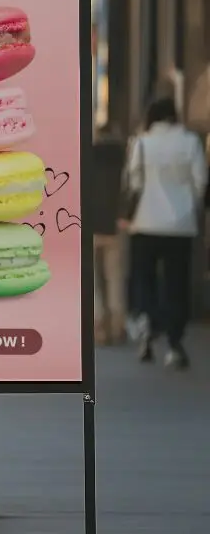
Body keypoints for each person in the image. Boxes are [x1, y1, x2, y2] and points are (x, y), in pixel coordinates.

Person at [125, 96, 207, 368]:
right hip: (180, 225)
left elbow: (134, 182)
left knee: (145, 278)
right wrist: (190, 206)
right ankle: (174, 343)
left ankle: (148, 323)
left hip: (145, 221)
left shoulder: (142, 143)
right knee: (177, 284)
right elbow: (201, 181)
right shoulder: (191, 142)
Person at [92, 123, 127, 344]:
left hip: (90, 225)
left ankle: (98, 327)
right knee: (115, 278)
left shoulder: (87, 158)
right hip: (115, 225)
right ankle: (117, 326)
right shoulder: (122, 160)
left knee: (93, 280)